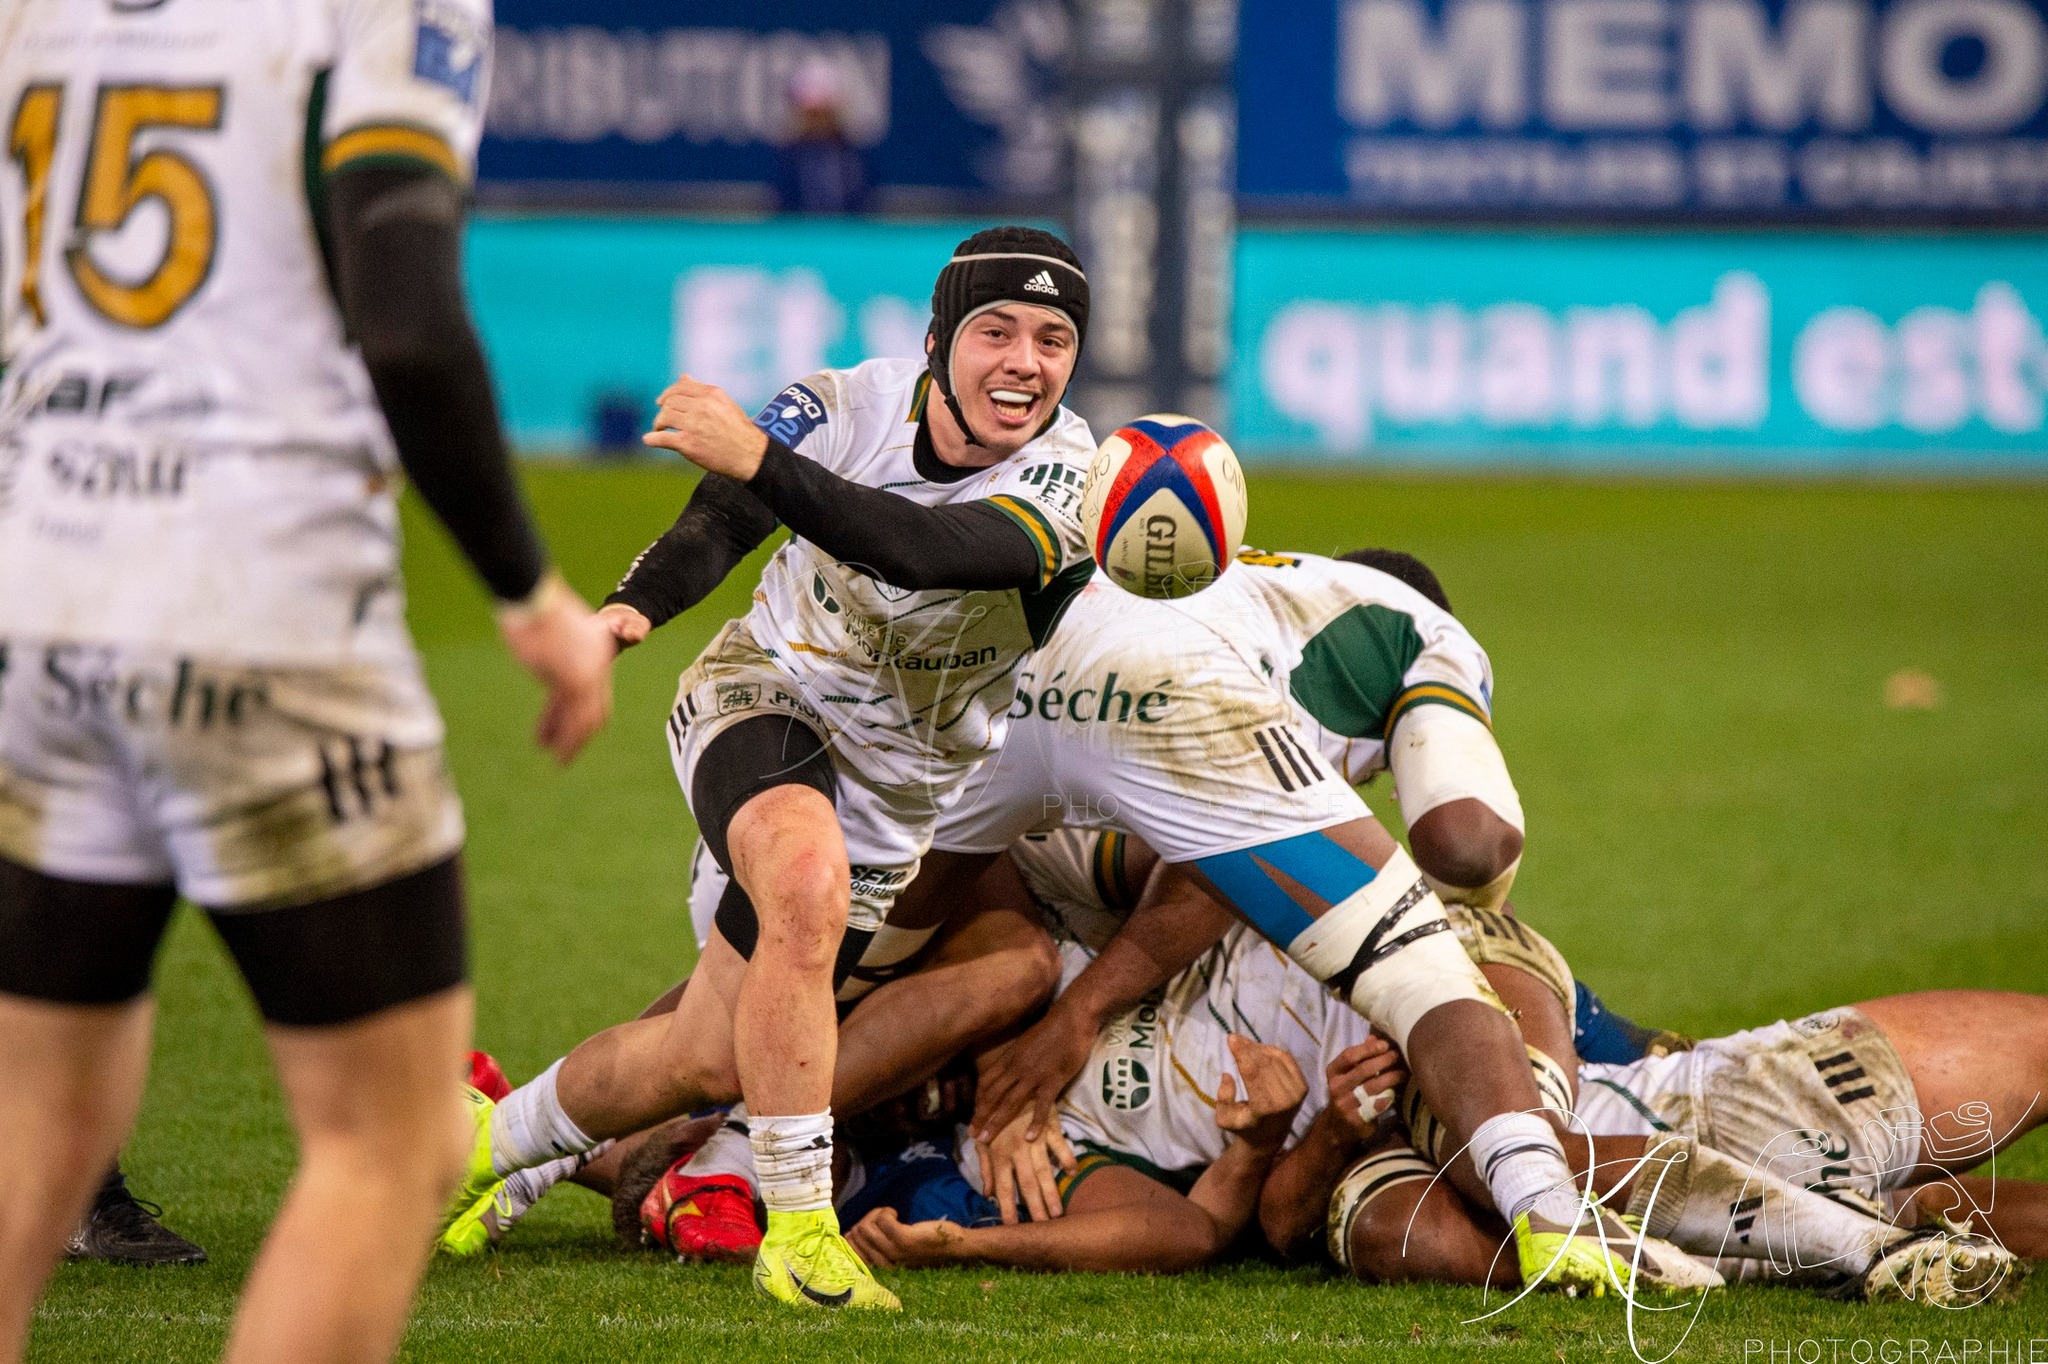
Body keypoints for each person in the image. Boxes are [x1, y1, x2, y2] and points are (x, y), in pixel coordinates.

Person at [0, 2, 616, 1360]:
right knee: (387, 1137)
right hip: (259, 606)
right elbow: (406, 321)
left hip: (45, 598)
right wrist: (531, 594)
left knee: (35, 1121)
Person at [440, 227, 1100, 1311]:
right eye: (994, 331)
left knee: (702, 1055)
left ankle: (485, 1142)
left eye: (1052, 338)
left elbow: (921, 548)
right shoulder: (840, 405)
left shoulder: (1073, 480)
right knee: (802, 873)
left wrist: (755, 453)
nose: (1023, 362)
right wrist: (628, 611)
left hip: (896, 790)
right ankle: (796, 1226)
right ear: (937, 342)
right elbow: (722, 518)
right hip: (764, 689)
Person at [881, 563, 1718, 1296]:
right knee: (1458, 1164)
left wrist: (1052, 1020)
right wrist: (1268, 1141)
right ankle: (1683, 1206)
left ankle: (1650, 1086)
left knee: (1654, 1077)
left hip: (1451, 1003)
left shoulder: (1048, 948)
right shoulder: (1023, 1128)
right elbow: (1240, 1227)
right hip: (1391, 1077)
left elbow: (1191, 874)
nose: (933, 1092)